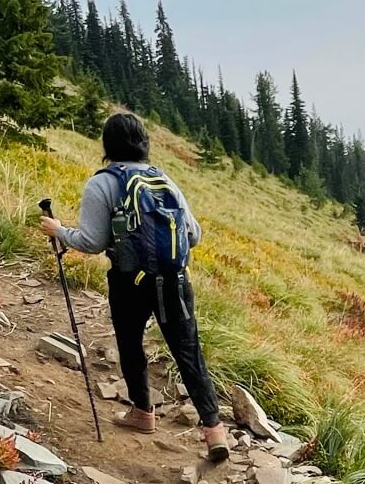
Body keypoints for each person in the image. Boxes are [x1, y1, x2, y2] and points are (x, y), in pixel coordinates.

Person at [40, 112, 229, 461]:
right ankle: (214, 431)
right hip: (175, 281)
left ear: (107, 145)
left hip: (130, 282)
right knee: (189, 352)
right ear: (143, 142)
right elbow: (194, 234)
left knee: (131, 344)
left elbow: (93, 241)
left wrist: (59, 231)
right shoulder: (163, 179)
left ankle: (143, 413)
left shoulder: (102, 183)